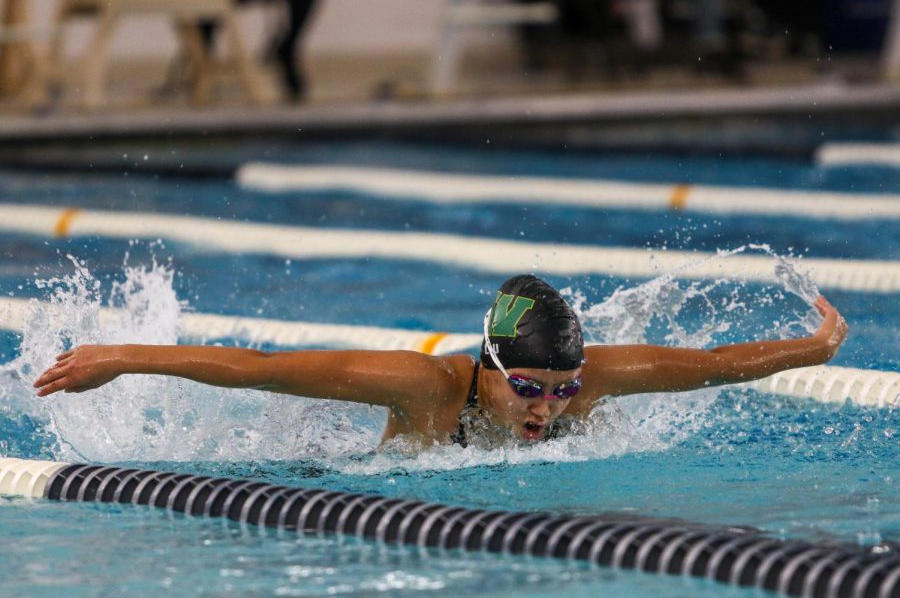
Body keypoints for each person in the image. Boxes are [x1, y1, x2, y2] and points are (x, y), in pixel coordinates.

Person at [33, 275, 848, 448]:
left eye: (561, 393)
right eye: (527, 388)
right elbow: (258, 366)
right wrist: (121, 356)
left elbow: (713, 364)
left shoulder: (588, 382)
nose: (547, 409)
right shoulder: (426, 389)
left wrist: (813, 349)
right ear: (486, 367)